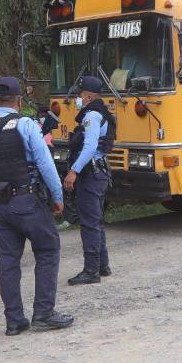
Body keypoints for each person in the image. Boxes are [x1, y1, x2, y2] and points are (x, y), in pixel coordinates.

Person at [0, 77, 74, 335]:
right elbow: (45, 162)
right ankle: (43, 313)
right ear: (18, 100)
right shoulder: (25, 124)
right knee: (48, 250)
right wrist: (58, 196)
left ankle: (14, 321)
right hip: (27, 200)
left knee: (8, 260)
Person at [63, 76, 116, 285]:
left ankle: (91, 271)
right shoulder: (101, 112)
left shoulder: (91, 116)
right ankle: (102, 266)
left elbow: (90, 146)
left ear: (88, 96)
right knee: (95, 221)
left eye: (79, 94)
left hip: (91, 175)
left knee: (89, 224)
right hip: (100, 173)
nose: (77, 98)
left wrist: (74, 171)